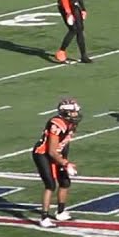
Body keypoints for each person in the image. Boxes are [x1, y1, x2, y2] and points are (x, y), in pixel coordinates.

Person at [31, 97, 82, 228]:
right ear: (65, 112)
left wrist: (65, 160)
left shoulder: (71, 123)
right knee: (50, 185)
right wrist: (65, 164)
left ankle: (60, 212)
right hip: (43, 154)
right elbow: (52, 151)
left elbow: (64, 144)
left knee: (65, 182)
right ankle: (44, 218)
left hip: (57, 154)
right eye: (73, 112)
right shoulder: (57, 124)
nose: (76, 114)